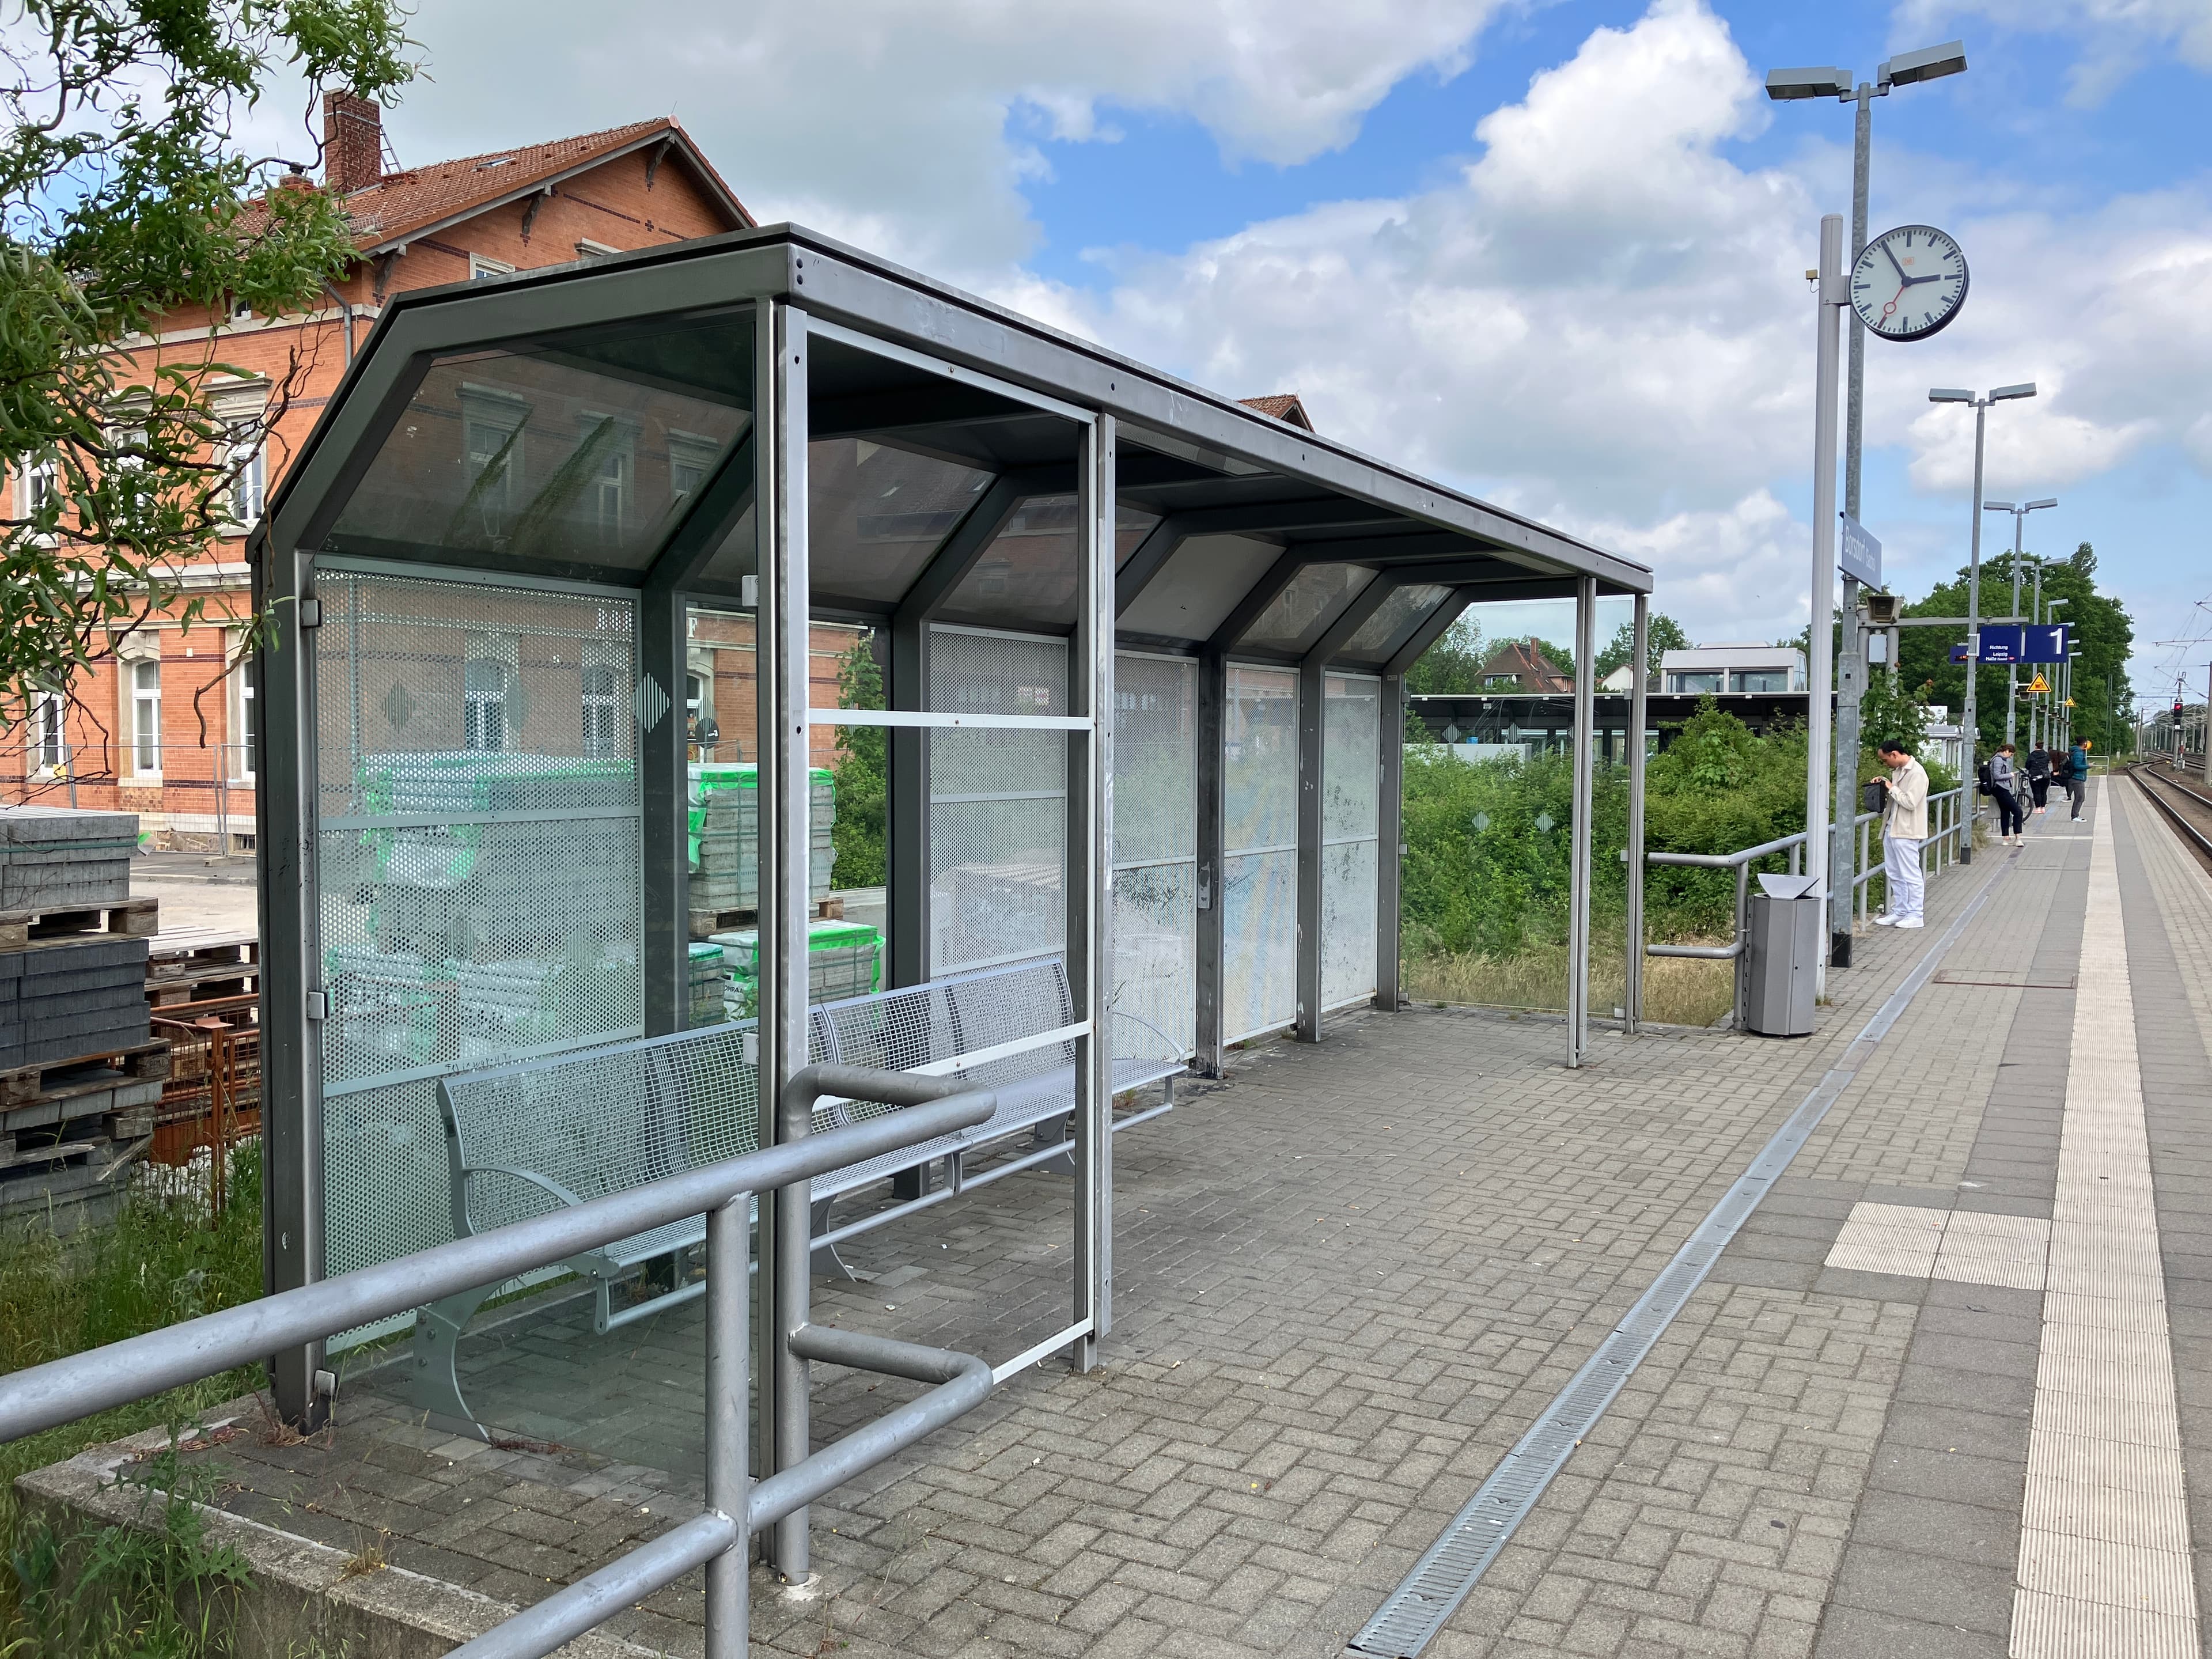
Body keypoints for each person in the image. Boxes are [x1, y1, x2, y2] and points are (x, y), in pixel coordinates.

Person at [1872, 738, 1929, 930]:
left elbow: (1910, 802)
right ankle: (1901, 910)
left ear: (1894, 754)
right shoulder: (1899, 771)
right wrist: (1885, 782)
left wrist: (1891, 787)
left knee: (1910, 873)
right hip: (1893, 827)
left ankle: (1916, 914)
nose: (1885, 764)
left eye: (1885, 760)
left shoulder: (1917, 773)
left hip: (1908, 830)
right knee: (1895, 872)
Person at [1989, 743, 2024, 846]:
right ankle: (2018, 838)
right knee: (2018, 811)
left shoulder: (1998, 759)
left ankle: (2006, 837)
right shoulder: (1999, 760)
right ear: (2007, 751)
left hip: (2000, 788)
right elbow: (1997, 776)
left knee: (2005, 811)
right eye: (2011, 754)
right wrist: (2010, 775)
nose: (2011, 757)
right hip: (2000, 788)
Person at [2066, 737, 2090, 821]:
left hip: (2076, 778)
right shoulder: (2079, 753)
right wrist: (2088, 766)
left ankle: (2075, 816)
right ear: (2084, 744)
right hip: (2077, 778)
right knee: (2080, 797)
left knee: (2080, 797)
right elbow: (2077, 766)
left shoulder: (2075, 752)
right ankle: (2075, 816)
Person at [2025, 743, 2051, 815]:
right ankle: (2043, 808)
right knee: (2044, 792)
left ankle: (2038, 808)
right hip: (2045, 776)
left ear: (2036, 747)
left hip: (2035, 776)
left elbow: (2027, 766)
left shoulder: (2032, 755)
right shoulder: (2046, 755)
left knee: (2037, 792)